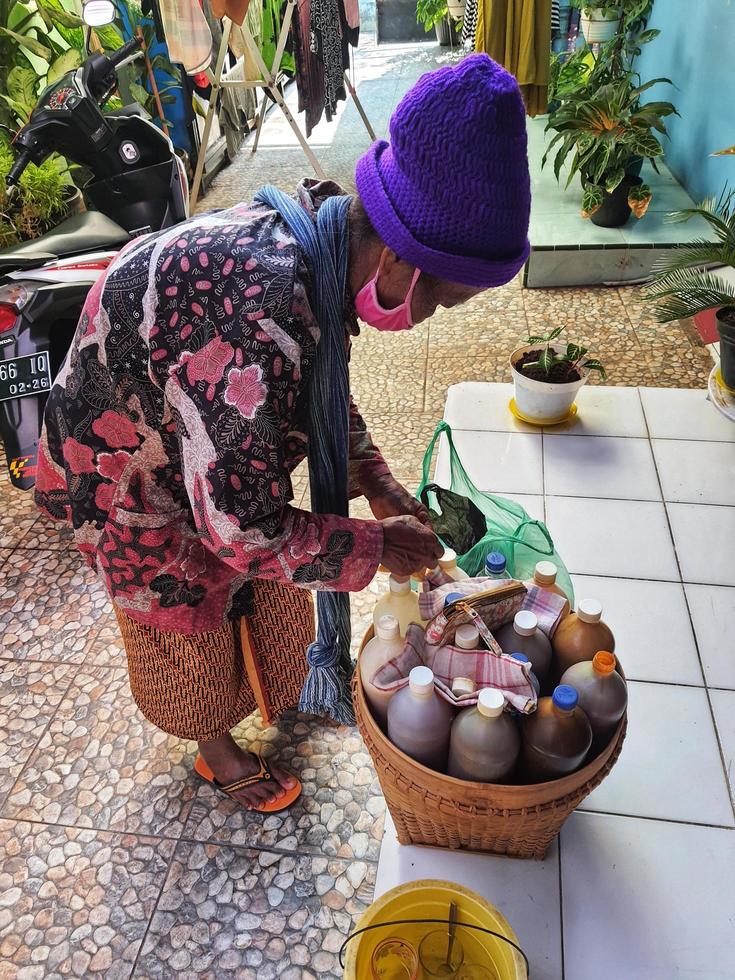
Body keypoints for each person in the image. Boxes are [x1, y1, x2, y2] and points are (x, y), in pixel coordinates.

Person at [34, 54, 530, 813]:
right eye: (446, 301)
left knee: (270, 585)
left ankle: (274, 690)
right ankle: (214, 748)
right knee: (191, 613)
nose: (430, 318)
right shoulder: (255, 311)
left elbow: (312, 388)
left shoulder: (322, 239)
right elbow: (239, 532)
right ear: (399, 261)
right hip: (125, 464)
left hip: (197, 434)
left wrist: (377, 482)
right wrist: (375, 545)